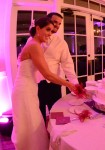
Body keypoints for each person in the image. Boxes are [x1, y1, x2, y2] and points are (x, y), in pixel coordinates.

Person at [11, 16, 77, 150]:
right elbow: (46, 73)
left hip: (33, 86)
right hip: (29, 87)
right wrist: (69, 85)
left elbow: (67, 65)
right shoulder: (34, 44)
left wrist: (74, 81)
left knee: (47, 117)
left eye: (56, 27)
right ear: (38, 28)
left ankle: (57, 140)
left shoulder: (54, 43)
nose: (52, 30)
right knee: (33, 120)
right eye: (49, 28)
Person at [38, 12, 79, 123]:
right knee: (38, 114)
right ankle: (41, 136)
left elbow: (68, 64)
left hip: (54, 84)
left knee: (56, 113)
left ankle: (55, 138)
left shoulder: (61, 43)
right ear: (47, 20)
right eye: (55, 22)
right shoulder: (33, 39)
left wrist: (74, 84)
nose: (57, 25)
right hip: (35, 83)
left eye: (59, 24)